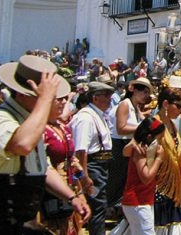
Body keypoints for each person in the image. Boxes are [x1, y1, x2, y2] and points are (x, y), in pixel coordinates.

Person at [0, 55, 90, 233]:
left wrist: (71, 197)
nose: (54, 101)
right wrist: (44, 100)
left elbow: (43, 168)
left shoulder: (30, 122)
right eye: (50, 96)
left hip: (23, 218)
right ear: (22, 94)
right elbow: (22, 144)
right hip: (0, 218)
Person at [38, 85, 88, 235]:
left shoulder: (63, 128)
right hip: (47, 194)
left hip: (69, 191)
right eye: (58, 99)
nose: (63, 102)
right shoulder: (41, 130)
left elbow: (72, 163)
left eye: (64, 99)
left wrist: (81, 193)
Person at [153, 75, 181, 234]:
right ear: (166, 104)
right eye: (178, 106)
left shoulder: (172, 123)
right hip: (157, 188)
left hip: (173, 188)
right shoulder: (152, 125)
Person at [70, 81, 115, 235]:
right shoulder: (86, 118)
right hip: (93, 166)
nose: (110, 99)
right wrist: (85, 177)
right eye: (107, 96)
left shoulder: (98, 115)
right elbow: (81, 151)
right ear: (95, 98)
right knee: (97, 207)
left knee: (100, 206)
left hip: (101, 166)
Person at [107, 77, 154, 212]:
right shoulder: (125, 104)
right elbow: (121, 128)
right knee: (116, 179)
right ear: (133, 90)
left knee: (124, 179)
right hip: (119, 145)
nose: (145, 95)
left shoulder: (135, 107)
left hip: (128, 144)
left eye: (147, 93)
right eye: (143, 92)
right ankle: (106, 207)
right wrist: (143, 127)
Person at [122, 116, 166, 235]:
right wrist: (159, 159)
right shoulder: (140, 151)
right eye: (159, 137)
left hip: (143, 201)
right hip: (138, 202)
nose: (161, 141)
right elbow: (146, 178)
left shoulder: (144, 149)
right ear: (149, 137)